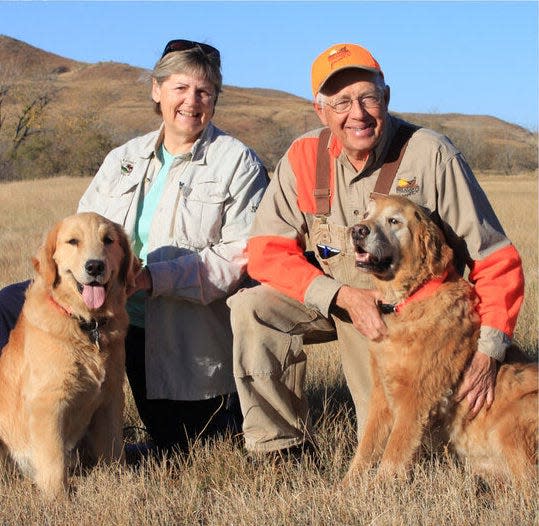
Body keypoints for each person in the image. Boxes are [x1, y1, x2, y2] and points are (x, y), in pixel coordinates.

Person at [227, 43, 524, 461]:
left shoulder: (431, 155)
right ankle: (279, 448)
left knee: (392, 438)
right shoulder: (303, 156)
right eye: (343, 102)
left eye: (368, 97)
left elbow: (495, 259)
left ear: (386, 98)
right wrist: (339, 295)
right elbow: (265, 251)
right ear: (322, 111)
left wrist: (489, 352)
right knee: (251, 308)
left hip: (407, 315)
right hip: (334, 296)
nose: (358, 114)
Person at [0, 39, 268, 458]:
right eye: (180, 88)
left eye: (204, 92)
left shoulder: (237, 163)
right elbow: (78, 234)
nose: (191, 101)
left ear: (215, 99)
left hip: (171, 329)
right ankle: (23, 433)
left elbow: (241, 258)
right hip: (96, 312)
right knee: (6, 305)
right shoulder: (123, 157)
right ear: (156, 90)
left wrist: (150, 278)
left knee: (191, 447)